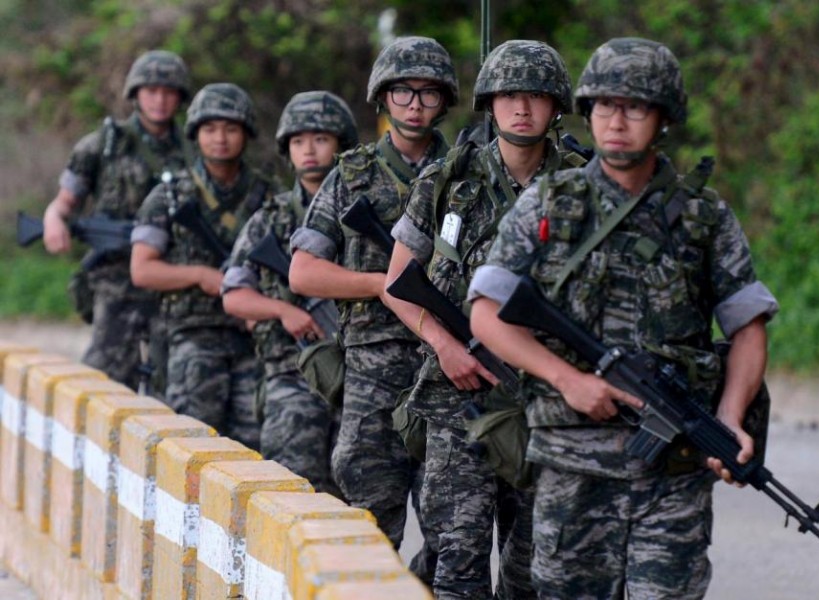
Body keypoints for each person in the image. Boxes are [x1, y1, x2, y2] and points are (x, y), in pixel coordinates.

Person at [468, 37, 780, 599]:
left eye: (635, 107)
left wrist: (730, 418)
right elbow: (487, 314)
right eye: (605, 106)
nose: (617, 121)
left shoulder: (702, 216)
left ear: (663, 118)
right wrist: (568, 380)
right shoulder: (548, 203)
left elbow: (748, 325)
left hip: (674, 474)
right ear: (587, 112)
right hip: (571, 469)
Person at [384, 40, 584, 599]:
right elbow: (397, 284)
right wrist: (443, 345)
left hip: (544, 401)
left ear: (556, 106)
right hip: (459, 400)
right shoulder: (448, 181)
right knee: (459, 564)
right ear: (489, 103)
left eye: (537, 97)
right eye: (509, 96)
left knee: (534, 570)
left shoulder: (581, 186)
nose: (523, 109)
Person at [288, 35, 458, 582]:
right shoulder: (351, 175)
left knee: (455, 524)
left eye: (428, 93)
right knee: (369, 512)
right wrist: (381, 284)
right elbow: (304, 271)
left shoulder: (464, 173)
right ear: (382, 98)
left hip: (449, 366)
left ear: (444, 101)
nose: (415, 105)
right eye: (403, 92)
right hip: (375, 366)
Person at [221, 91, 359, 496]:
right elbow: (234, 294)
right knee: (289, 489)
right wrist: (283, 310)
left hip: (360, 377)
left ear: (341, 144)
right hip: (292, 375)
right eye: (299, 141)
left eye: (320, 139)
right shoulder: (272, 218)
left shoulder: (364, 213)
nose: (309, 150)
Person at [130, 83, 279, 450]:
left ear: (246, 133)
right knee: (192, 446)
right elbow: (143, 270)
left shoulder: (268, 193)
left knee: (254, 448)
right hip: (191, 338)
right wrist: (200, 275)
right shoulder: (169, 195)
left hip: (253, 338)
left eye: (230, 129)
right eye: (210, 130)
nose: (220, 139)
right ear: (196, 134)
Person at [42, 49, 192, 393]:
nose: (160, 100)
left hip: (173, 281)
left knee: (172, 388)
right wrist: (53, 222)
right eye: (151, 91)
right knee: (102, 383)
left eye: (169, 92)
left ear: (180, 98)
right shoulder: (102, 146)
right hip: (116, 281)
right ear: (135, 94)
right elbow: (63, 203)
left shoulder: (193, 149)